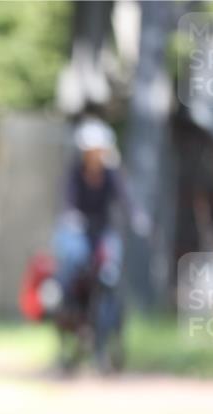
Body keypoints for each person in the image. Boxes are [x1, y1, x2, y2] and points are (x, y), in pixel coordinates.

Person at [52, 116, 150, 307]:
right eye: (92, 151)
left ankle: (108, 314)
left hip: (102, 229)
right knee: (73, 259)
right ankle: (62, 299)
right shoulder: (75, 172)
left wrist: (137, 216)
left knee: (110, 268)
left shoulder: (111, 174)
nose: (96, 155)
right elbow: (68, 199)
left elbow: (125, 198)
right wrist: (71, 216)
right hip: (78, 230)